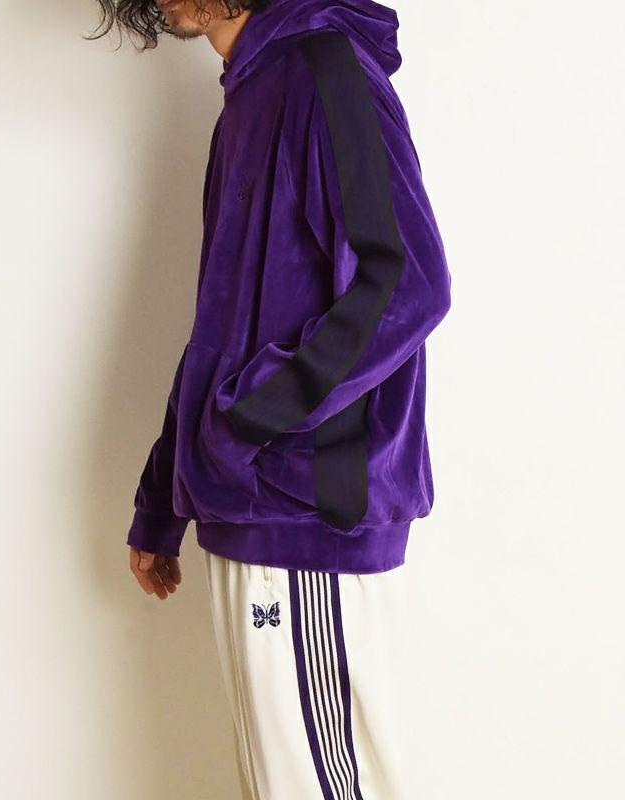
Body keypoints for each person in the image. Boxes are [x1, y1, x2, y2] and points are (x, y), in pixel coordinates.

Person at [90, 1, 452, 796]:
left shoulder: (323, 74)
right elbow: (225, 323)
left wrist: (247, 420)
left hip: (304, 517)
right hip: (255, 507)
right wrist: (166, 495)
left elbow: (405, 282)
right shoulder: (254, 89)